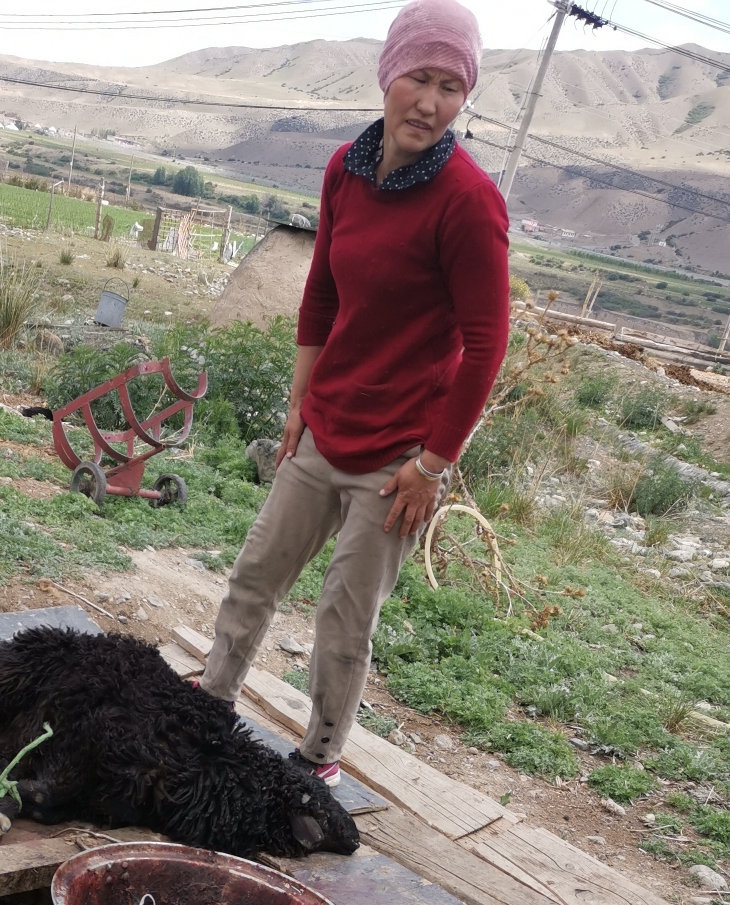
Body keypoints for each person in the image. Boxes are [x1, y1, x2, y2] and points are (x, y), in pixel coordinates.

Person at [197, 0, 510, 783]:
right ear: (387, 76)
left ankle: (320, 758)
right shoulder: (346, 168)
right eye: (418, 78)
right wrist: (300, 403)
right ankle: (208, 705)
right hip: (327, 422)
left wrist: (432, 465)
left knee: (344, 617)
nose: (431, 103)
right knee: (255, 576)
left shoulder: (470, 203)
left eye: (450, 86)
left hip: (400, 457)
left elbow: (485, 346)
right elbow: (322, 298)